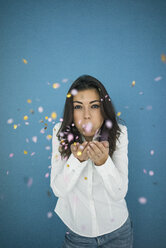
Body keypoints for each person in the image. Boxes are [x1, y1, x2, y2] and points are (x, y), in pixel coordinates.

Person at [50, 75, 133, 248]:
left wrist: (103, 163)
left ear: (104, 108)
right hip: (78, 234)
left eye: (94, 106)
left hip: (117, 231)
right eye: (78, 107)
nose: (86, 116)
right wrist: (77, 161)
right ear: (70, 111)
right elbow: (58, 189)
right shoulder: (60, 134)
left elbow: (119, 192)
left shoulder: (119, 134)